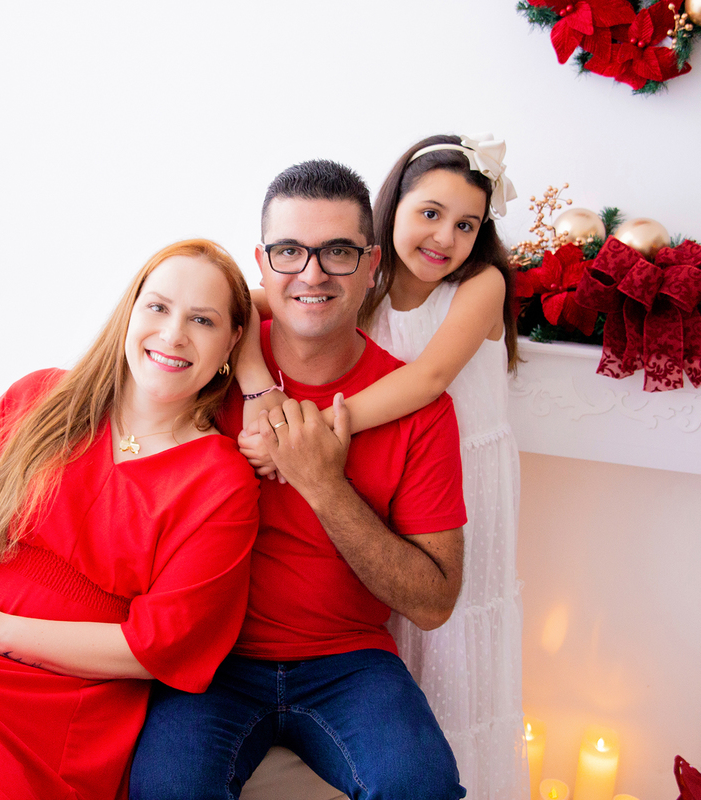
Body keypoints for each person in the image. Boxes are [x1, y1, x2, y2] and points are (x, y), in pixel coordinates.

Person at [0, 239, 261, 800]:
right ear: (129, 312)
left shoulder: (221, 480)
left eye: (202, 320)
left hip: (76, 690)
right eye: (157, 307)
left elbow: (158, 649)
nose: (174, 334)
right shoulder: (40, 398)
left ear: (232, 342)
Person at [129, 161, 469, 800]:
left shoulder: (418, 408)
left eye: (337, 252)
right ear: (261, 263)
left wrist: (322, 484)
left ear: (371, 264)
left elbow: (434, 602)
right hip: (212, 658)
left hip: (350, 664)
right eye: (289, 252)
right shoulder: (202, 356)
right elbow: (90, 446)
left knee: (422, 788)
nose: (311, 274)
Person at [236, 135, 527, 800]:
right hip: (383, 447)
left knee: (451, 638)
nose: (445, 236)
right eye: (429, 212)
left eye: (466, 225)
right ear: (390, 210)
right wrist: (259, 388)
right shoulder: (352, 285)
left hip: (451, 452)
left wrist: (313, 439)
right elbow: (241, 301)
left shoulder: (480, 282)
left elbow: (427, 379)